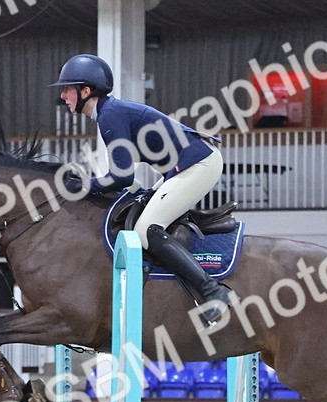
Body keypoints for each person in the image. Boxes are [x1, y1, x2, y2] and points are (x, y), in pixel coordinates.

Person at [52, 53, 233, 325]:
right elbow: (127, 180)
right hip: (184, 167)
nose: (63, 96)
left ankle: (213, 291)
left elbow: (122, 177)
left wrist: (83, 186)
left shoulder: (110, 116)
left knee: (146, 230)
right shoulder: (110, 113)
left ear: (85, 91)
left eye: (67, 89)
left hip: (199, 164)